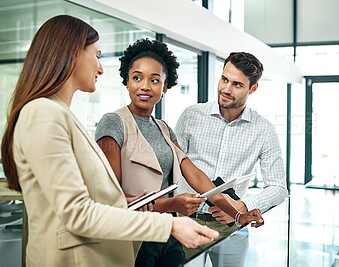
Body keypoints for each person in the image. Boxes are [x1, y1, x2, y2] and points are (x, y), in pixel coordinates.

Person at [0, 15, 220, 267]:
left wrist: (122, 202)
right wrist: (169, 223)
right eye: (97, 55)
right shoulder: (43, 113)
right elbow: (77, 213)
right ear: (72, 54)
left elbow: (81, 197)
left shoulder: (60, 114)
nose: (101, 68)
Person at [94, 39, 264, 267]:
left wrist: (237, 215)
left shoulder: (164, 129)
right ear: (126, 81)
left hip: (168, 234)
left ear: (164, 87)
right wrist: (171, 205)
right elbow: (110, 199)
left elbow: (195, 175)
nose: (145, 86)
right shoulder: (113, 123)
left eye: (155, 80)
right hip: (134, 236)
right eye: (137, 78)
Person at [175, 52, 289, 265]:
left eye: (237, 84)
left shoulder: (264, 130)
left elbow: (279, 188)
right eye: (224, 79)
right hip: (186, 222)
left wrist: (241, 206)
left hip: (232, 228)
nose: (226, 89)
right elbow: (173, 167)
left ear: (252, 89)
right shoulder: (191, 116)